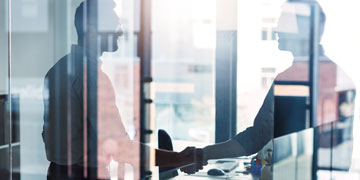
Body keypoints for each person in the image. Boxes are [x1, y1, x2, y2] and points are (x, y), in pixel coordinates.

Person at [181, 0, 356, 175]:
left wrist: (203, 154)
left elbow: (258, 136)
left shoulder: (293, 79)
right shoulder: (337, 75)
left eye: (283, 21)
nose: (277, 28)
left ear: (302, 29)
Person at [42, 0, 198, 179]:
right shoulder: (92, 78)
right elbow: (121, 148)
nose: (121, 32)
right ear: (92, 29)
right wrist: (177, 158)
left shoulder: (56, 71)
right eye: (114, 25)